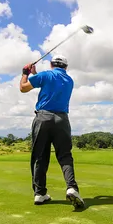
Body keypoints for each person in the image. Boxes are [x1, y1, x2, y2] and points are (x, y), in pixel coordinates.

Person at [19, 54, 84, 209]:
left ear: (51, 64)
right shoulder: (69, 80)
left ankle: (40, 193)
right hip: (62, 120)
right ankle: (72, 188)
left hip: (43, 118)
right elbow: (50, 83)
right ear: (66, 67)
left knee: (40, 156)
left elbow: (23, 88)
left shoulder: (45, 75)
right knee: (65, 156)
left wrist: (25, 73)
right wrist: (36, 74)